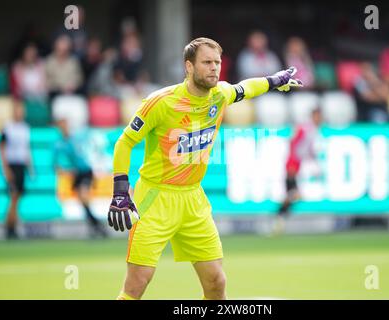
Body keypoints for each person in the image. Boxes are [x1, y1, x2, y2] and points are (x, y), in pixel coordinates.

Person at [107, 37, 301, 300]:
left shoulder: (219, 95)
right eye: (207, 62)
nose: (214, 68)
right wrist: (120, 191)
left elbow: (245, 88)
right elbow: (125, 142)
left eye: (217, 62)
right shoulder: (161, 102)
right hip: (155, 199)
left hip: (193, 200)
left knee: (216, 282)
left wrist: (275, 80)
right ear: (189, 67)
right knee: (137, 285)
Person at [53, 119, 107, 238]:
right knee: (82, 201)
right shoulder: (60, 143)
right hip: (77, 173)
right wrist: (65, 170)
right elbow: (56, 163)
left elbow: (85, 154)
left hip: (86, 170)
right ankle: (96, 225)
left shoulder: (75, 139)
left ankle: (96, 225)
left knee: (83, 196)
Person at [274, 107, 323, 235]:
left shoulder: (313, 131)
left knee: (293, 195)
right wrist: (292, 162)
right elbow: (293, 142)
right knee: (294, 194)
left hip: (296, 164)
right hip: (292, 164)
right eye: (318, 116)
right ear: (313, 116)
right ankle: (279, 218)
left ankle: (280, 219)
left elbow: (310, 150)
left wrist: (315, 166)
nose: (319, 119)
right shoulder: (305, 129)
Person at [0, 103, 34, 239]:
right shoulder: (8, 128)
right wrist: (6, 169)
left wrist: (30, 168)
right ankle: (9, 227)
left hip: (21, 166)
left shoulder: (25, 128)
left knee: (17, 197)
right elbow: (2, 148)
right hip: (12, 165)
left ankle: (12, 226)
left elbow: (26, 149)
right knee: (13, 197)